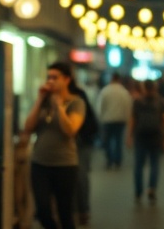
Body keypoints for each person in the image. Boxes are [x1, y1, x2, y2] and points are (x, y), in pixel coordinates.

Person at [23, 61, 86, 229]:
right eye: (48, 77)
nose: (50, 81)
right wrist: (39, 100)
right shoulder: (44, 102)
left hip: (65, 164)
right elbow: (28, 127)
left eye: (55, 77)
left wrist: (59, 107)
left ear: (66, 79)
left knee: (64, 212)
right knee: (42, 210)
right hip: (40, 163)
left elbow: (70, 130)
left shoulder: (76, 103)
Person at [127, 79, 164, 202]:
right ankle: (152, 188)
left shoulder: (138, 101)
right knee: (154, 164)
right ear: (155, 88)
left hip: (140, 136)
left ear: (143, 88)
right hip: (156, 137)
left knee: (138, 165)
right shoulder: (162, 102)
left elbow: (133, 120)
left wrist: (129, 136)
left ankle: (138, 191)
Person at [69, 79, 99, 226]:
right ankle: (74, 210)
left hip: (82, 143)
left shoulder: (78, 97)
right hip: (69, 145)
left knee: (80, 177)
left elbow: (86, 124)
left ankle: (83, 210)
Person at [96, 72, 132, 169]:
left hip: (107, 120)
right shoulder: (124, 92)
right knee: (118, 141)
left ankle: (109, 160)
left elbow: (100, 106)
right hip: (120, 120)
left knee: (107, 141)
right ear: (119, 79)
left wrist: (100, 118)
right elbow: (128, 107)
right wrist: (127, 119)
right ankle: (117, 161)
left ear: (111, 79)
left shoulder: (105, 91)